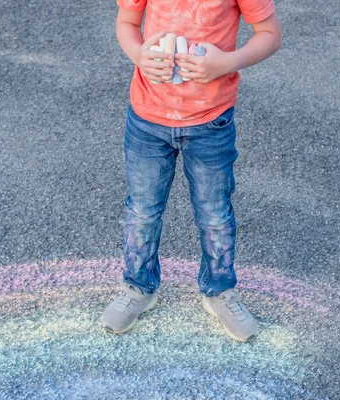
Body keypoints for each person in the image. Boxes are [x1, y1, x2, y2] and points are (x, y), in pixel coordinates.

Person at [100, 0, 282, 342]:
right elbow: (126, 23)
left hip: (211, 122)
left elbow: (270, 34)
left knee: (214, 214)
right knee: (142, 210)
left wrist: (227, 62)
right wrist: (139, 55)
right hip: (147, 120)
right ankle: (139, 287)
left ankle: (219, 291)